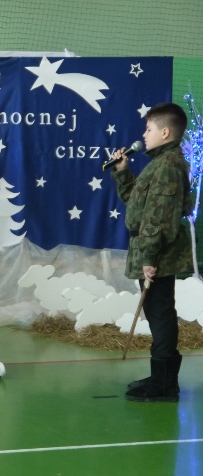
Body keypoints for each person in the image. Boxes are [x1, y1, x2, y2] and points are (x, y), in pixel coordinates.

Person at [110, 103, 192, 403]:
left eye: (148, 129)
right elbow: (138, 203)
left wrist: (149, 258)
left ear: (165, 132)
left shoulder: (168, 166)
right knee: (157, 312)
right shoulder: (159, 164)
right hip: (150, 250)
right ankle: (160, 378)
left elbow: (159, 219)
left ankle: (165, 385)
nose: (144, 135)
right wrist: (123, 173)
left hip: (158, 255)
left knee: (160, 314)